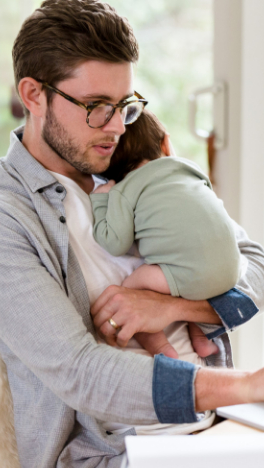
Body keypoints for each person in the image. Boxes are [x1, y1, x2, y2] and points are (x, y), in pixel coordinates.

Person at [0, 1, 264, 468]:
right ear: (34, 95)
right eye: (96, 107)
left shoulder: (137, 165)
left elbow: (260, 270)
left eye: (125, 105)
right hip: (113, 460)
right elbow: (81, 372)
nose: (117, 127)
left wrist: (175, 308)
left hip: (215, 426)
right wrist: (245, 385)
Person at [91, 109, 236, 360]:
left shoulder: (124, 192)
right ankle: (201, 338)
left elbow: (115, 243)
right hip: (232, 271)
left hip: (189, 276)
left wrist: (101, 201)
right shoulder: (190, 169)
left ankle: (161, 348)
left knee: (130, 290)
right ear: (166, 143)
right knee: (189, 278)